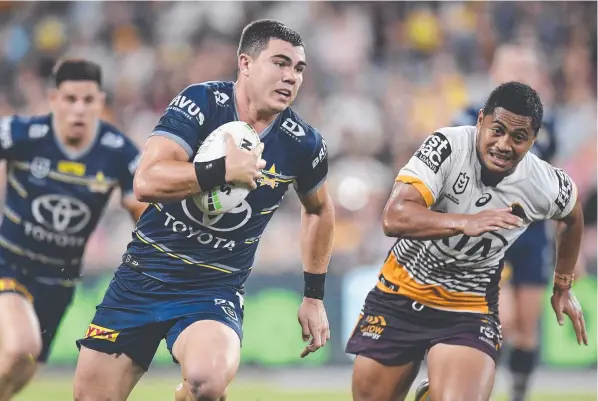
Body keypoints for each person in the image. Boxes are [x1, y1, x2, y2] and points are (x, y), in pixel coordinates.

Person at [73, 19, 334, 401]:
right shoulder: (202, 103)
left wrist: (314, 295)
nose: (290, 77)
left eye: (298, 68)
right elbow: (146, 181)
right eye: (279, 63)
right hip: (142, 278)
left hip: (213, 290)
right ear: (245, 63)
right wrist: (221, 171)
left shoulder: (303, 144)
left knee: (205, 384)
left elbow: (319, 210)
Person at [346, 81, 587, 401]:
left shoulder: (542, 181)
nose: (504, 145)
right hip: (400, 293)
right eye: (497, 130)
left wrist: (563, 285)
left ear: (532, 141)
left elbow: (573, 216)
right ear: (481, 121)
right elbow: (394, 217)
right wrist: (464, 223)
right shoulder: (447, 146)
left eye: (518, 138)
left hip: (468, 306)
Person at [0, 59, 146, 401]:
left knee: (24, 369)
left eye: (88, 100)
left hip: (60, 280)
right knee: (21, 345)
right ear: (54, 100)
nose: (79, 109)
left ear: (101, 101)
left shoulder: (119, 153)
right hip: (10, 264)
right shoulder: (24, 134)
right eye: (70, 99)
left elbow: (143, 210)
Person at [451, 44, 559, 401]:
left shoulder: (547, 126)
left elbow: (550, 186)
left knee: (527, 328)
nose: (521, 73)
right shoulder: (469, 117)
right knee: (501, 320)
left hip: (531, 235)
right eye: (514, 66)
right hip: (490, 232)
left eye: (528, 67)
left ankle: (518, 394)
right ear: (495, 71)